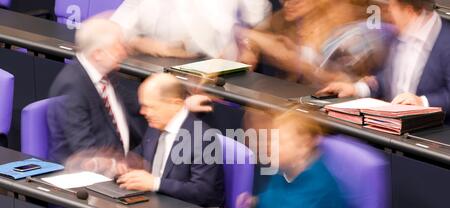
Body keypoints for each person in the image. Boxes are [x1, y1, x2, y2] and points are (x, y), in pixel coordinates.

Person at [319, 0, 450, 118]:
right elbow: (388, 79)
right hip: (390, 124)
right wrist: (356, 89)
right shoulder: (401, 33)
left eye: (392, 8)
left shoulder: (445, 40)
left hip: (429, 132)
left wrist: (422, 102)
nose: (388, 14)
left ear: (408, 12)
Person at [117, 73, 225, 207]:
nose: (143, 112)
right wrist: (123, 165)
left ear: (176, 104)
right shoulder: (155, 125)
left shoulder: (203, 138)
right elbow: (140, 154)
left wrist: (155, 183)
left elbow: (202, 192)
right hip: (151, 204)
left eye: (150, 107)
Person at [47, 18, 145, 164]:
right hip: (85, 174)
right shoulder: (72, 87)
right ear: (97, 54)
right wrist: (121, 166)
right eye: (118, 47)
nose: (124, 52)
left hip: (123, 160)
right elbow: (84, 150)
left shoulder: (105, 72)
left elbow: (135, 102)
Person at [238, 0, 393, 85]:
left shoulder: (360, 32)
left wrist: (300, 63)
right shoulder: (288, 18)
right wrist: (250, 45)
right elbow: (260, 33)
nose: (288, 3)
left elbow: (348, 85)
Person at [111, 0, 272, 59]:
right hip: (159, 75)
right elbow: (115, 29)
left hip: (218, 77)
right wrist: (145, 44)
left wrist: (250, 47)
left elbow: (259, 18)